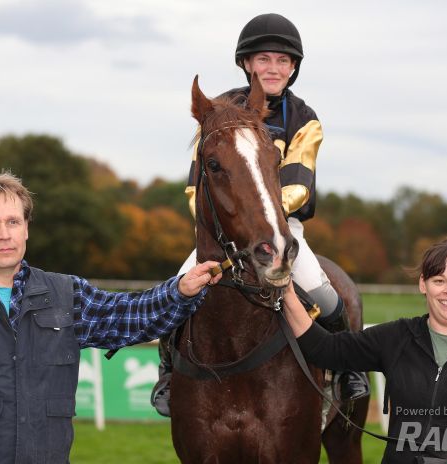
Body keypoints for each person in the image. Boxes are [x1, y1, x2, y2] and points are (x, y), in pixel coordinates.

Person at [0, 170, 221, 464]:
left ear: (26, 227)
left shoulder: (67, 296)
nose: (4, 234)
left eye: (13, 222)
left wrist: (180, 291)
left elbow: (128, 316)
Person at [150, 12, 369, 418]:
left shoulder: (304, 119)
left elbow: (299, 186)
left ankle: (348, 372)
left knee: (327, 297)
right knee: (174, 293)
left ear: (293, 68)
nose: (273, 68)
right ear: (247, 63)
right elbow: (195, 188)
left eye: (283, 60)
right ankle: (168, 373)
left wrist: (261, 217)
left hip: (284, 226)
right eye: (264, 59)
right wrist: (230, 223)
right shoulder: (217, 111)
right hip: (223, 232)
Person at [283, 239, 447, 463]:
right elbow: (326, 349)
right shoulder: (397, 337)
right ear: (423, 284)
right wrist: (285, 289)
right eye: (439, 280)